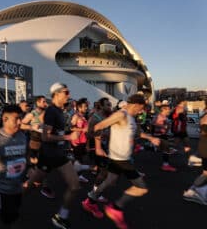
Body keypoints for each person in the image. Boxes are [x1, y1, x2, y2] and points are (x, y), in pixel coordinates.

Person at [82, 94, 160, 229]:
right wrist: (98, 146)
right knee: (141, 188)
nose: (141, 111)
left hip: (121, 158)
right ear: (136, 105)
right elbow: (98, 126)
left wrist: (150, 138)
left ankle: (90, 200)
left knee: (109, 181)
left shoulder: (131, 118)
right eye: (141, 108)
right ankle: (116, 208)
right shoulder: (121, 115)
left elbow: (137, 134)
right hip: (120, 160)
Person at [24, 82, 80, 229]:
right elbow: (45, 137)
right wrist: (68, 138)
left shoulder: (60, 111)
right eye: (66, 92)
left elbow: (58, 133)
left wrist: (69, 136)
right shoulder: (51, 111)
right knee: (32, 185)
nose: (68, 95)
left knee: (75, 186)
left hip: (59, 155)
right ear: (57, 94)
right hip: (48, 155)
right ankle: (11, 201)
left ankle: (61, 216)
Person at [183, 101, 207, 205]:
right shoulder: (205, 117)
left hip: (204, 147)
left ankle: (192, 191)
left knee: (206, 173)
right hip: (205, 148)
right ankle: (197, 193)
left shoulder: (204, 115)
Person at [152, 104, 177, 172]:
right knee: (166, 150)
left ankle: (141, 147)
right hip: (159, 135)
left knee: (162, 149)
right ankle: (165, 165)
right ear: (163, 109)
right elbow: (153, 123)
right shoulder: (159, 116)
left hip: (163, 134)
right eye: (168, 109)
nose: (169, 110)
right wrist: (163, 126)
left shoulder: (164, 116)